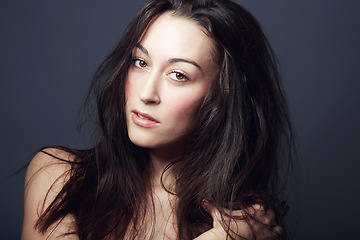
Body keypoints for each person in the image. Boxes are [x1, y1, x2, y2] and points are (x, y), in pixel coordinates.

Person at [22, 0, 294, 239]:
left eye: (178, 75)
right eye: (141, 62)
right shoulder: (60, 179)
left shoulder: (246, 223)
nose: (146, 93)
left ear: (224, 96)